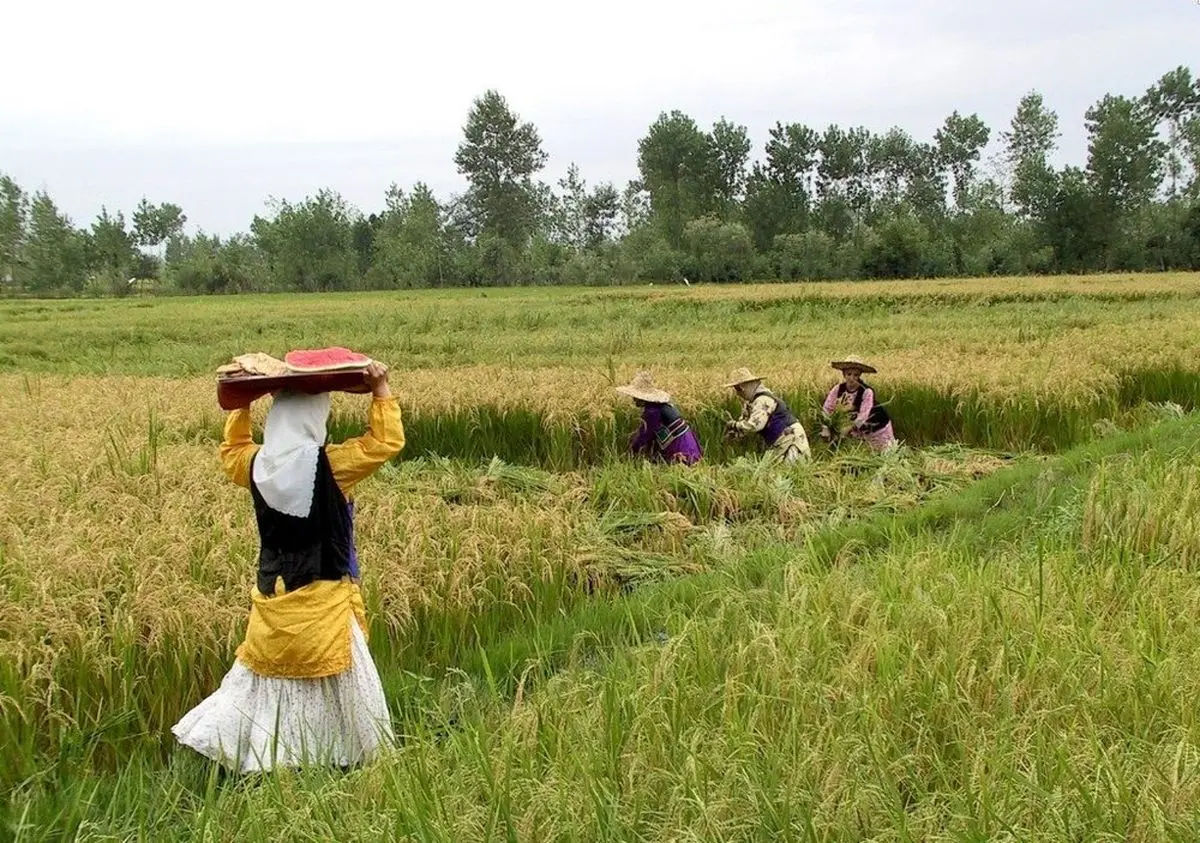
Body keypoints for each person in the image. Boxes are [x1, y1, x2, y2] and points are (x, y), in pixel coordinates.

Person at [172, 360, 405, 774]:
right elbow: (384, 443)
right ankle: (338, 759)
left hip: (273, 599)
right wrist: (381, 389)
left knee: (270, 686)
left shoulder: (255, 465)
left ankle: (272, 758)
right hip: (325, 603)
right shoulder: (331, 466)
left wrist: (241, 405)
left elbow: (231, 452)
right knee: (342, 691)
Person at [722, 367, 811, 463]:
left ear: (747, 386)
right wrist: (735, 433)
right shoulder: (750, 403)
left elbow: (754, 425)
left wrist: (734, 425)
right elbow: (744, 421)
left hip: (791, 438)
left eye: (739, 389)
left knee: (789, 470)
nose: (738, 393)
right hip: (780, 440)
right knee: (774, 469)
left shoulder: (763, 400)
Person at [616, 370, 703, 465]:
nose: (634, 400)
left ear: (642, 398)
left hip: (680, 444)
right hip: (687, 440)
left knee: (681, 467)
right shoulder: (659, 405)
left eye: (635, 397)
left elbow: (646, 434)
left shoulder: (652, 411)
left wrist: (631, 451)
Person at [821, 356, 897, 451]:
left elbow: (863, 416)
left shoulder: (866, 392)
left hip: (877, 428)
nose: (851, 378)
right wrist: (826, 426)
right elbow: (827, 408)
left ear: (859, 376)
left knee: (884, 454)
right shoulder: (838, 389)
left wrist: (848, 428)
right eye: (849, 374)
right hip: (858, 432)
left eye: (855, 375)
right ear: (844, 374)